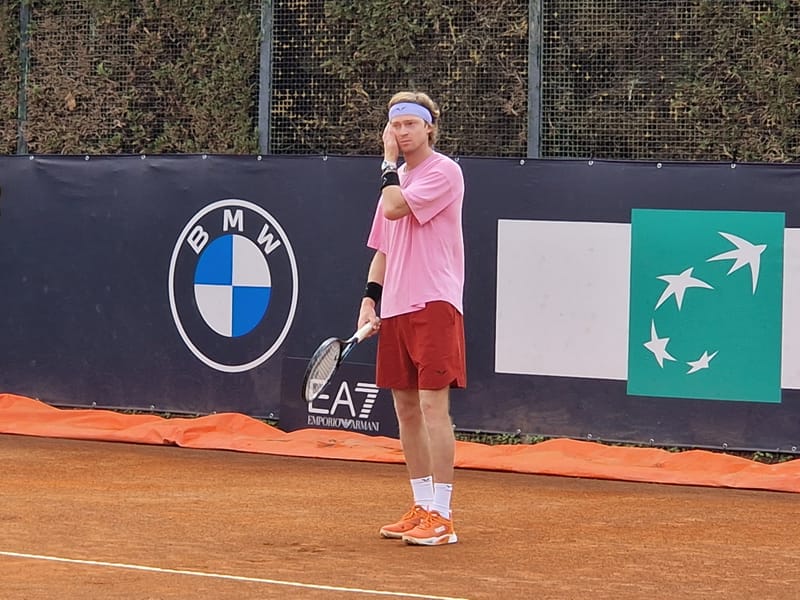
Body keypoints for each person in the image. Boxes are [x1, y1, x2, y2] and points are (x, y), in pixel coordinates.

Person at [358, 91, 466, 546]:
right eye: (395, 124)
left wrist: (387, 164)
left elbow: (395, 207)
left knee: (432, 407)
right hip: (397, 307)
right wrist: (370, 300)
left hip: (434, 302)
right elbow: (383, 248)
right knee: (405, 408)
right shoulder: (396, 179)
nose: (401, 132)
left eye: (409, 124)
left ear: (428, 128)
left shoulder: (444, 171)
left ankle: (443, 515)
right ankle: (421, 506)